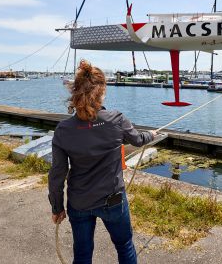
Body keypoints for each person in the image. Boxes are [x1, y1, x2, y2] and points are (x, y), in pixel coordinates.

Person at [48, 60, 155, 264]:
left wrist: (57, 207)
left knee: (82, 254)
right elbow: (138, 140)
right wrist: (151, 135)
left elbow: (57, 173)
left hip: (79, 203)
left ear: (75, 90)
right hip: (113, 200)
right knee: (124, 246)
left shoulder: (63, 130)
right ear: (102, 90)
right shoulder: (116, 120)